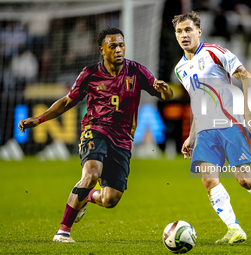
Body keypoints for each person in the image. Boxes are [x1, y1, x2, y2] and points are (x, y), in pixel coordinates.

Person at [18, 27, 173, 243]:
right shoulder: (90, 74)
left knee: (110, 199)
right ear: (102, 49)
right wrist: (40, 119)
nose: (118, 50)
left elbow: (165, 94)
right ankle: (63, 231)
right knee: (91, 174)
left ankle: (85, 198)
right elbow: (66, 101)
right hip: (95, 130)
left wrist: (164, 89)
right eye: (113, 46)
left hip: (123, 140)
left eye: (121, 45)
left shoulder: (136, 71)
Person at [172, 11, 251, 244]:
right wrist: (191, 136)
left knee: (244, 179)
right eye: (179, 31)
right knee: (208, 179)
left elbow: (247, 77)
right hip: (205, 130)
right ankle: (234, 229)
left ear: (198, 31)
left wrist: (248, 112)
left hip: (229, 123)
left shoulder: (215, 52)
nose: (184, 35)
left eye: (188, 30)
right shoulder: (179, 69)